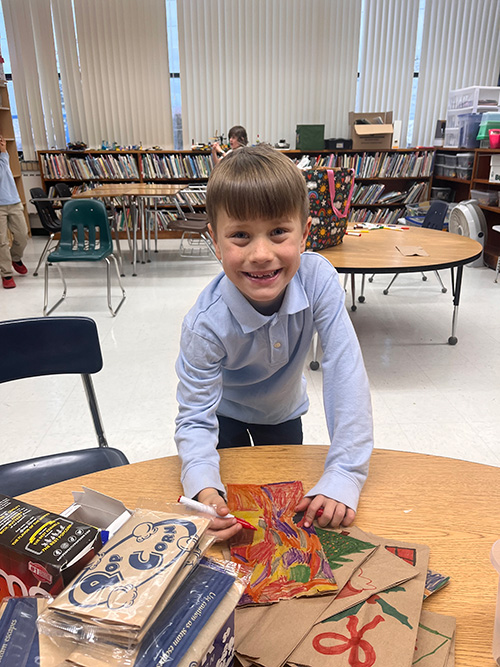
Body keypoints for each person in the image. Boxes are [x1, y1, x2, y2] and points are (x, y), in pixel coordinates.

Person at [175, 144, 373, 541]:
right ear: (214, 240)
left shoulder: (318, 279)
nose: (261, 254)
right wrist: (201, 488)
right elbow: (195, 416)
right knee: (235, 514)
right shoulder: (204, 324)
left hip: (283, 414)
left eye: (279, 232)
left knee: (286, 515)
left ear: (304, 231)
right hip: (224, 419)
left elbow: (345, 370)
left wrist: (344, 472)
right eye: (241, 236)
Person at [0, 135, 28, 289]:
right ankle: (6, 274)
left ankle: (15, 257)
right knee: (1, 242)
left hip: (14, 201)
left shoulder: (5, 155)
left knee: (22, 235)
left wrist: (4, 151)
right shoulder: (3, 158)